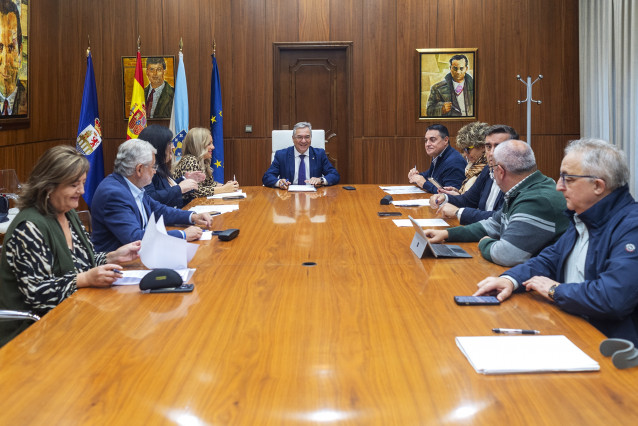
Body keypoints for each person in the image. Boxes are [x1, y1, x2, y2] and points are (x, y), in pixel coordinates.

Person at [474, 139, 638, 345]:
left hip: (610, 345)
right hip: (570, 326)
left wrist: (554, 290)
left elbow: (613, 297)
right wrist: (510, 280)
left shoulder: (631, 227)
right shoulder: (583, 216)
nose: (559, 186)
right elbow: (549, 260)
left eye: (567, 179)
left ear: (598, 185)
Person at [0, 146, 141, 347]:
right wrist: (84, 279)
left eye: (83, 183)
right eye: (74, 185)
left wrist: (112, 257)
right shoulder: (29, 227)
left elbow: (81, 261)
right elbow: (37, 293)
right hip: (31, 334)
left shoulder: (67, 213)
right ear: (48, 186)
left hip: (71, 316)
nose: (82, 191)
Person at [424, 140, 569, 267]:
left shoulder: (536, 200)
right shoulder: (523, 189)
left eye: (492, 170)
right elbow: (492, 224)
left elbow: (507, 255)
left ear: (500, 172)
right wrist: (447, 233)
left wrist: (484, 242)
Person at [91, 139, 213, 252]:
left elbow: (159, 210)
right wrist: (183, 235)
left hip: (143, 254)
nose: (155, 171)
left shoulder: (132, 185)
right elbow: (134, 238)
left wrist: (192, 217)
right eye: (153, 166)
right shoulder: (113, 194)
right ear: (139, 169)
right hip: (120, 266)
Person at [429, 124, 517, 224]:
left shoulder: (516, 177)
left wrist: (458, 212)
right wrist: (445, 198)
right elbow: (468, 200)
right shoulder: (488, 170)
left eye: (498, 146)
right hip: (482, 230)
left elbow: (501, 217)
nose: (491, 153)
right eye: (488, 147)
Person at [139, 125, 204, 208]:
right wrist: (179, 188)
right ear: (159, 145)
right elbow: (150, 198)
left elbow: (165, 187)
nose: (173, 147)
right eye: (170, 143)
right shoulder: (146, 169)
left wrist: (184, 180)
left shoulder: (160, 166)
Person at [262, 122, 340, 189]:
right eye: (299, 137)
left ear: (311, 138)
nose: (303, 141)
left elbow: (334, 175)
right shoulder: (281, 155)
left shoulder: (319, 154)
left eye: (307, 137)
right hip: (288, 197)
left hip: (314, 198)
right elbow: (267, 177)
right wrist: (279, 182)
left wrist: (321, 180)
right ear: (293, 139)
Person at [172, 127, 238, 204]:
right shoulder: (190, 160)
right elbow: (193, 191)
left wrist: (227, 186)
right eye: (209, 144)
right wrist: (223, 189)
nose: (213, 147)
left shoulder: (203, 160)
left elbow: (210, 184)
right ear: (199, 145)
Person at [407, 124, 466, 194]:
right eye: (426, 140)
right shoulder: (439, 155)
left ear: (446, 140)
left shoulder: (454, 162)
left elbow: (451, 195)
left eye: (432, 140)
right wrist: (416, 175)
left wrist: (424, 184)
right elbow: (430, 176)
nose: (427, 144)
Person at [0, 0, 27, 116]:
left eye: (11, 47)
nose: (5, 61)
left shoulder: (29, 98)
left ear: (20, 51)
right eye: (0, 47)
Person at [451, 121, 489, 194]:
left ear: (482, 146)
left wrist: (458, 197)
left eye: (467, 149)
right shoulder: (472, 167)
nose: (465, 154)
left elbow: (478, 202)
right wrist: (458, 192)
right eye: (463, 150)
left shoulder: (489, 170)